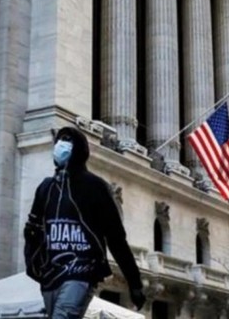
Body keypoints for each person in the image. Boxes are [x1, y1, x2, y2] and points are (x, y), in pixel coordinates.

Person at [24, 126, 146, 319]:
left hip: (81, 271)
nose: (61, 144)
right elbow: (31, 231)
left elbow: (116, 238)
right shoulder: (46, 188)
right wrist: (33, 265)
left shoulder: (95, 186)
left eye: (67, 140)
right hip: (50, 275)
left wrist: (134, 282)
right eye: (60, 139)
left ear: (79, 148)